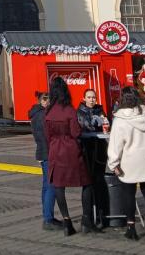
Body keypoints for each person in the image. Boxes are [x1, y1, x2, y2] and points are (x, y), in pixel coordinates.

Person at [107, 86, 145, 241]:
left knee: (128, 194)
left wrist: (114, 164)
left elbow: (115, 144)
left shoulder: (120, 119)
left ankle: (131, 228)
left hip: (130, 161)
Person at [44, 76, 96, 236]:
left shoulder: (49, 111)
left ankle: (67, 222)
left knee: (59, 187)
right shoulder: (69, 110)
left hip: (55, 150)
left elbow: (47, 136)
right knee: (86, 183)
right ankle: (86, 220)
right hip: (71, 150)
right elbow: (75, 132)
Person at [76, 89, 109, 229]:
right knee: (88, 184)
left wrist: (104, 121)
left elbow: (106, 125)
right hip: (86, 152)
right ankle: (87, 218)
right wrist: (97, 123)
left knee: (100, 182)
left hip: (100, 151)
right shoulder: (80, 112)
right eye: (89, 97)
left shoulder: (100, 110)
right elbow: (86, 127)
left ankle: (103, 215)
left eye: (94, 97)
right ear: (84, 98)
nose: (92, 100)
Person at [29, 90, 60, 230]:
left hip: (42, 153)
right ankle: (48, 219)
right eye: (47, 100)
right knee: (51, 185)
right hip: (48, 153)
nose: (49, 103)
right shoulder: (43, 115)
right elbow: (48, 136)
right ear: (42, 101)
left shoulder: (35, 114)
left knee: (46, 185)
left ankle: (47, 215)